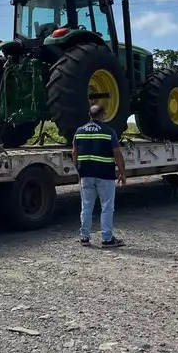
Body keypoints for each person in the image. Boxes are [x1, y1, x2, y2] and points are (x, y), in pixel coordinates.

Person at [72, 103, 127, 248]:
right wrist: (122, 173)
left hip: (86, 174)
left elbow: (74, 152)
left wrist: (78, 170)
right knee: (107, 207)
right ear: (102, 115)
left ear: (90, 115)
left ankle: (84, 237)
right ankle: (107, 239)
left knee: (86, 206)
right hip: (105, 174)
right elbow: (117, 154)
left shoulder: (79, 131)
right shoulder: (109, 132)